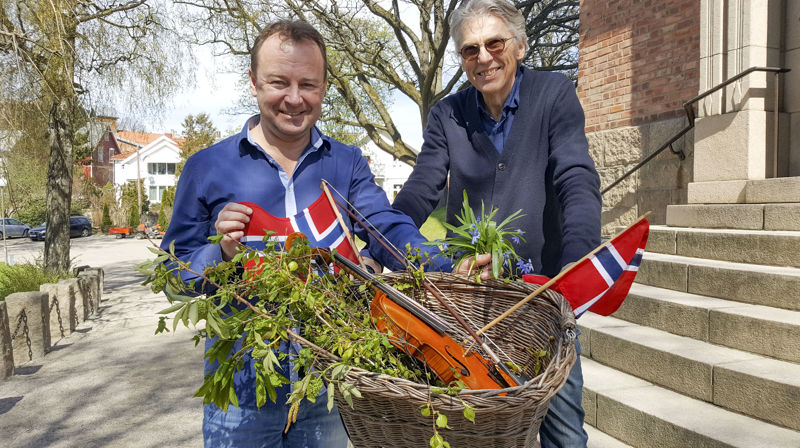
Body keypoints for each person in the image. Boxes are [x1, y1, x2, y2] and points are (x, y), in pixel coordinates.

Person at [162, 20, 491, 448]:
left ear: (324, 87)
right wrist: (220, 256)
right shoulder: (206, 167)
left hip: (328, 385)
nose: (294, 99)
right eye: (279, 82)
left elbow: (386, 229)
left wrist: (447, 269)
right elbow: (173, 275)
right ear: (254, 82)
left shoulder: (347, 163)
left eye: (309, 84)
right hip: (240, 395)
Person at [389, 0, 602, 446]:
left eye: (494, 43)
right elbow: (423, 186)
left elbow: (575, 177)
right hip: (472, 302)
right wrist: (383, 232)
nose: (483, 57)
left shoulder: (554, 94)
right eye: (470, 49)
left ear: (519, 46)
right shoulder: (448, 115)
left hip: (541, 296)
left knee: (563, 428)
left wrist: (576, 261)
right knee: (475, 429)